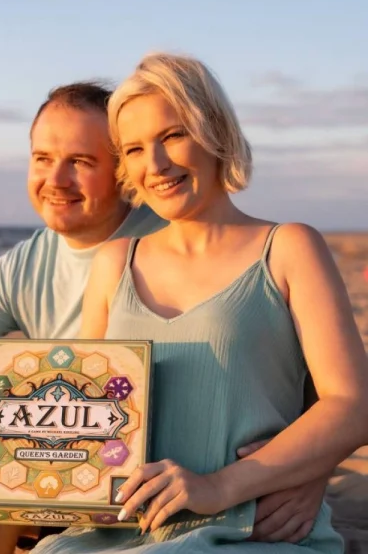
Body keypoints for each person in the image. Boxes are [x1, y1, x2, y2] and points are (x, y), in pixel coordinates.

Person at [0, 80, 330, 554]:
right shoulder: (30, 261)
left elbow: (294, 374)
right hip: (72, 461)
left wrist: (309, 472)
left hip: (157, 474)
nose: (56, 180)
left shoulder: (182, 229)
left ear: (122, 172)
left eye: (81, 161)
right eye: (43, 158)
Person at [24, 53, 368, 553]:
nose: (156, 164)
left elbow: (352, 406)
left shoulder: (289, 248)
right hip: (120, 529)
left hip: (252, 526)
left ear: (215, 133)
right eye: (135, 149)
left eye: (173, 136)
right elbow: (83, 414)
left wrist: (218, 488)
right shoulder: (114, 262)